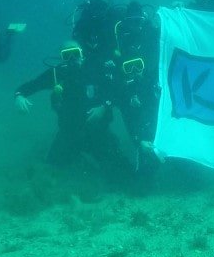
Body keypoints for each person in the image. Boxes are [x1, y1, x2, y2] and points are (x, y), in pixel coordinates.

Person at [14, 41, 129, 175]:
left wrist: (104, 107)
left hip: (97, 130)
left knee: (117, 169)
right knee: (53, 168)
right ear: (61, 58)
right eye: (66, 55)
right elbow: (34, 84)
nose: (72, 58)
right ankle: (78, 158)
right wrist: (19, 95)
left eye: (76, 53)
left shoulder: (95, 70)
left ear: (82, 54)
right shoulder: (58, 73)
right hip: (69, 132)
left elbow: (117, 89)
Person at [111, 1, 162, 174]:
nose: (135, 25)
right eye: (131, 21)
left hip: (150, 82)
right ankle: (142, 150)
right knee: (131, 114)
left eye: (139, 21)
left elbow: (170, 36)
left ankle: (162, 154)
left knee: (154, 116)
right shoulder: (118, 35)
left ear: (144, 19)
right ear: (126, 21)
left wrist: (179, 13)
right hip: (125, 85)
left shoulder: (152, 31)